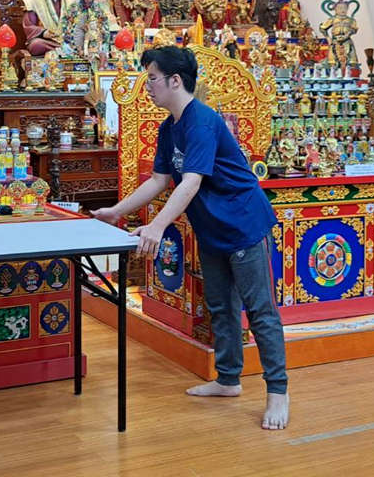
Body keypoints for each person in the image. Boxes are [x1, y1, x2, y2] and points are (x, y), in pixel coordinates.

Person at [91, 46, 290, 430]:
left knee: (259, 311)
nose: (147, 86)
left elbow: (191, 182)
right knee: (221, 306)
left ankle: (278, 392)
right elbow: (160, 180)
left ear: (175, 81)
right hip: (212, 229)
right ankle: (228, 379)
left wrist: (157, 226)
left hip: (244, 225)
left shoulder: (201, 122)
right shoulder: (169, 127)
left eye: (152, 78)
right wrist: (116, 211)